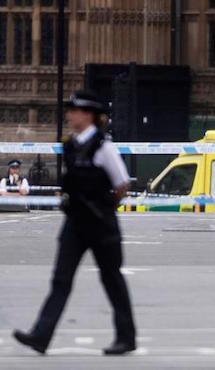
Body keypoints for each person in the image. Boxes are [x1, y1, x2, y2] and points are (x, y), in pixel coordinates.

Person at [13, 89, 137, 356]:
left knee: (112, 279)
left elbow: (121, 184)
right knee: (61, 279)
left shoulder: (103, 148)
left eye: (74, 110)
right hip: (76, 224)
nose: (69, 114)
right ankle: (41, 336)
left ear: (89, 115)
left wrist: (104, 209)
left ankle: (127, 337)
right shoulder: (70, 145)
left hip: (101, 224)